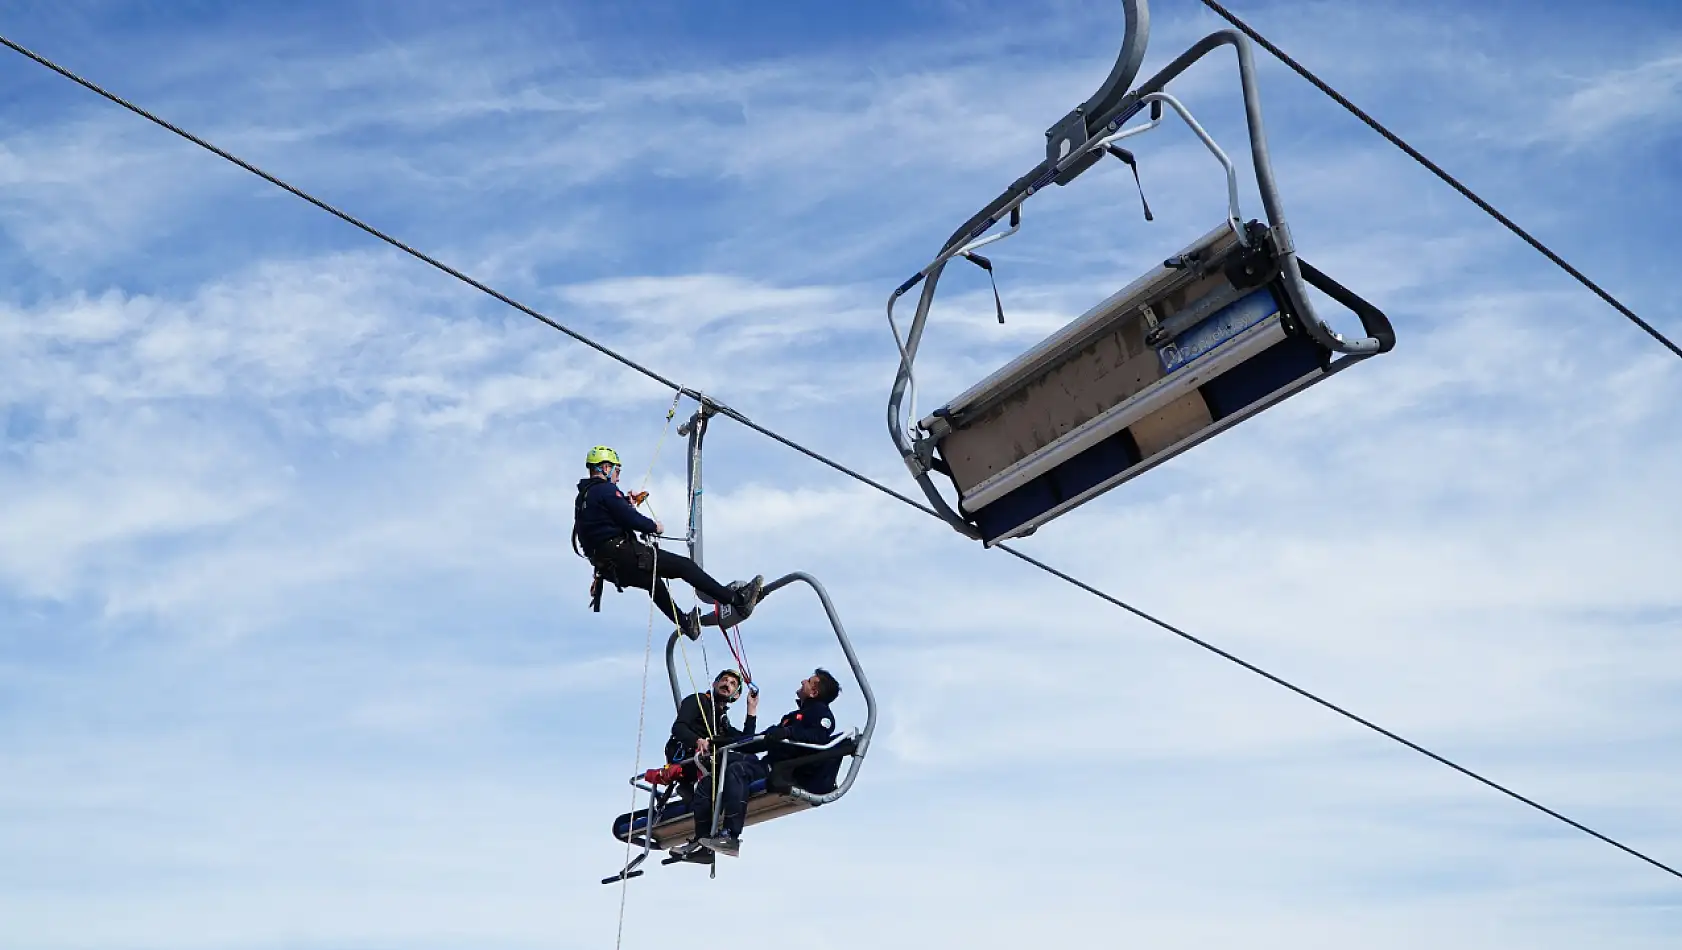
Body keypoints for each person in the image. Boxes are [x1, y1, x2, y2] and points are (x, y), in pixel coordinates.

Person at [573, 445, 764, 640]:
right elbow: (629, 518)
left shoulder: (583, 498)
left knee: (653, 583)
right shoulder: (605, 490)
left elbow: (604, 521)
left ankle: (686, 623)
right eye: (617, 471)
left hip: (610, 569)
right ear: (606, 468)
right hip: (622, 554)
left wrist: (624, 503)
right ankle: (737, 600)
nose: (618, 477)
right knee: (684, 566)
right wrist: (653, 526)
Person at [685, 668, 844, 858]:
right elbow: (756, 742)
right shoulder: (792, 717)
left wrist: (788, 733)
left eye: (809, 681)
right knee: (709, 780)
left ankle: (731, 836)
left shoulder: (820, 713)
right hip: (768, 764)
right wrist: (724, 742)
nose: (803, 681)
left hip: (786, 770)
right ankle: (703, 843)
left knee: (738, 769)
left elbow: (818, 737)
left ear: (814, 692)